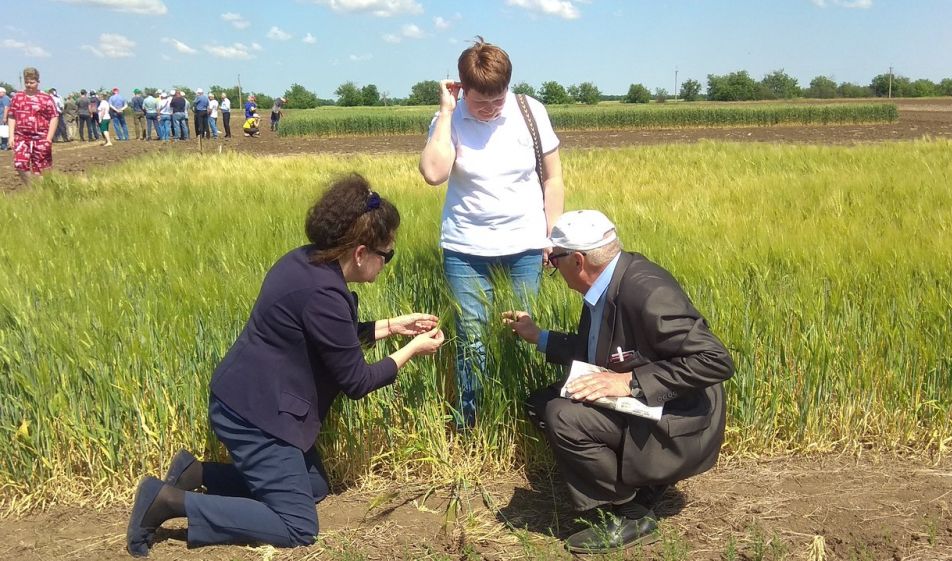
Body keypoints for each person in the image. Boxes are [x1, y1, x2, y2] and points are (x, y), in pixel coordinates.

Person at [125, 173, 446, 557]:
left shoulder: (308, 260)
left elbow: (330, 338)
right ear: (361, 253)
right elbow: (357, 381)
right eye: (386, 255)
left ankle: (197, 473)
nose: (386, 263)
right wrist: (412, 349)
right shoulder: (324, 293)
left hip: (251, 396)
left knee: (313, 488)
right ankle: (167, 502)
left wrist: (394, 326)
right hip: (254, 416)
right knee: (297, 526)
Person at [502, 210, 734, 554]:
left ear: (578, 260)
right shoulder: (604, 285)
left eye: (554, 257)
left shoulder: (645, 291)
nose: (550, 264)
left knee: (562, 415)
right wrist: (539, 336)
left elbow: (714, 360)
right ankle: (644, 486)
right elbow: (596, 349)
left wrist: (630, 382)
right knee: (541, 401)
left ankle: (629, 513)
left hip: (681, 422)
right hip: (656, 407)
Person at [418, 36, 565, 428]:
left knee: (520, 336)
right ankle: (471, 424)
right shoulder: (450, 118)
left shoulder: (530, 112)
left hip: (525, 248)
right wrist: (448, 112)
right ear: (462, 89)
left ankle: (520, 419)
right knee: (472, 340)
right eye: (480, 101)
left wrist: (552, 237)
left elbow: (553, 180)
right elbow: (433, 174)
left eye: (497, 99)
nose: (490, 109)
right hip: (465, 250)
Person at [6, 67, 59, 184]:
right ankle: (31, 188)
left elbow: (54, 117)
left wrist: (49, 139)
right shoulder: (17, 97)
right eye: (26, 82)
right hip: (21, 138)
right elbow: (11, 116)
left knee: (41, 168)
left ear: (38, 82)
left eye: (32, 82)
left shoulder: (46, 98)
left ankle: (42, 192)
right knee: (20, 164)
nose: (29, 85)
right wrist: (11, 136)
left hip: (41, 138)